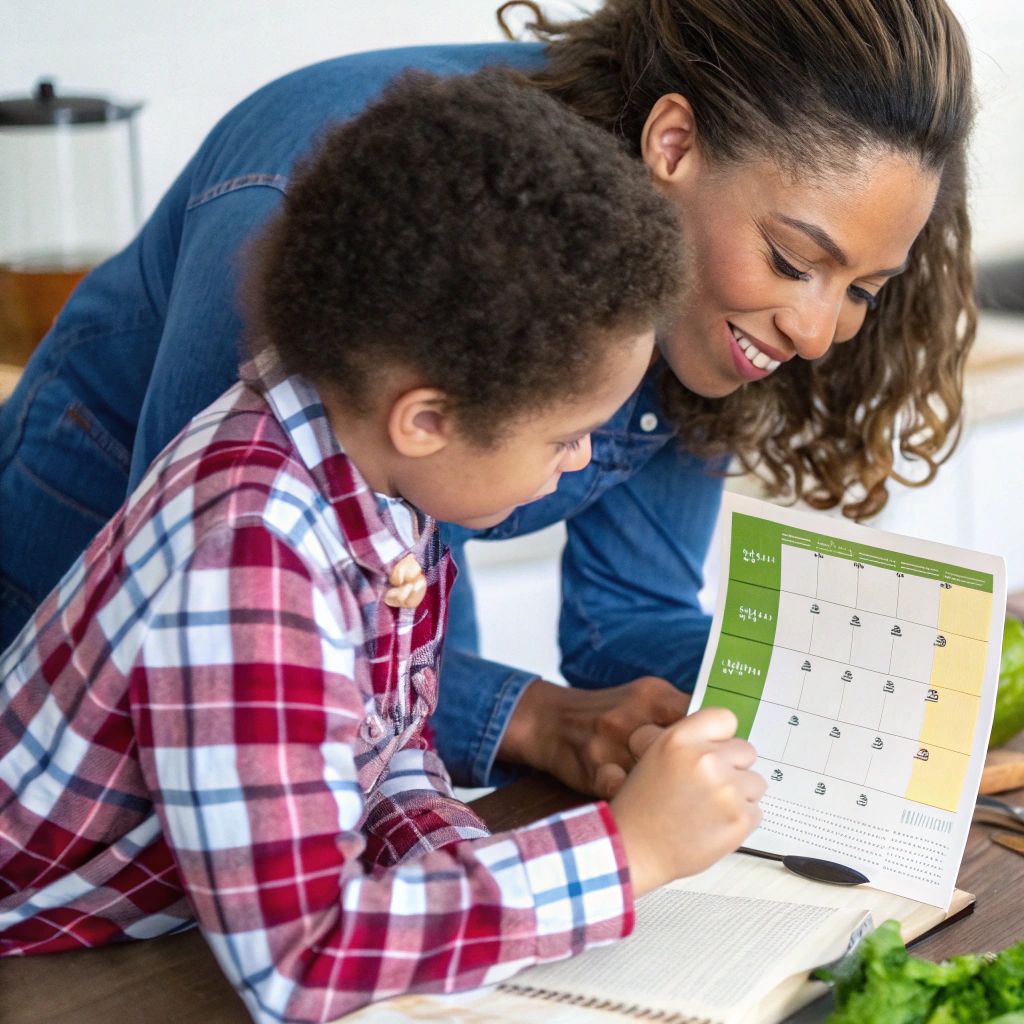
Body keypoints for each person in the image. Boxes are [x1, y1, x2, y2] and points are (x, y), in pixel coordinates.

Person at [0, 0, 978, 800]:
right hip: (92, 638)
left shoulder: (694, 299)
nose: (817, 333)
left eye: (863, 290)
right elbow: (223, 650)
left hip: (380, 617)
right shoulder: (321, 198)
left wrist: (836, 695)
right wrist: (536, 722)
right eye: (793, 261)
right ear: (674, 144)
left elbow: (627, 616)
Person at [0, 71, 763, 1023]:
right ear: (427, 419)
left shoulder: (370, 476)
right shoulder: (253, 557)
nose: (581, 464)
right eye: (566, 437)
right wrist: (626, 855)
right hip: (42, 960)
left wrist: (473, 868)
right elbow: (301, 959)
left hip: (160, 929)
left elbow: (385, 755)